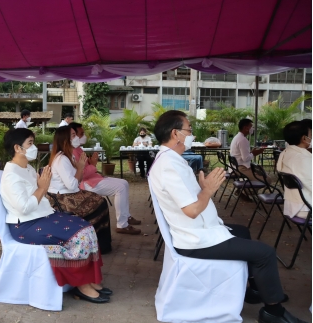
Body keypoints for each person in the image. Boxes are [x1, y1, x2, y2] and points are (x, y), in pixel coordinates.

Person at [149, 110, 302, 323]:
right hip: (195, 240)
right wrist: (208, 190)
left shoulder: (171, 159)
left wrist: (201, 187)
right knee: (266, 253)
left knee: (243, 231)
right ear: (176, 133)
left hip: (196, 231)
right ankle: (272, 312)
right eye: (189, 130)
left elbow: (186, 198)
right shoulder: (168, 166)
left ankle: (257, 288)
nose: (191, 133)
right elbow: (192, 211)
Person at [0, 128, 111, 304]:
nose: (34, 147)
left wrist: (42, 188)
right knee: (79, 236)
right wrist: (42, 188)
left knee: (87, 228)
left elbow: (40, 198)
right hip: (25, 225)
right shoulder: (11, 175)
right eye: (30, 143)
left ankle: (88, 278)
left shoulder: (27, 168)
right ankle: (80, 285)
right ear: (17, 148)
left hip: (42, 215)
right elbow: (24, 207)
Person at [47, 126, 113, 252]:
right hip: (61, 199)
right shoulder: (61, 159)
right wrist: (80, 168)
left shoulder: (69, 156)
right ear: (65, 140)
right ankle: (96, 244)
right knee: (100, 204)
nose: (77, 138)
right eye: (73, 135)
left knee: (100, 201)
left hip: (70, 193)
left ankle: (98, 243)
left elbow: (78, 180)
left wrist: (80, 168)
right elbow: (72, 184)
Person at [69, 122, 142, 235]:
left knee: (124, 183)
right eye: (81, 133)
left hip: (95, 178)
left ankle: (126, 216)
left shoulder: (78, 149)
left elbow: (87, 167)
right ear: (71, 135)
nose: (84, 136)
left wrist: (91, 163)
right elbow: (81, 174)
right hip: (87, 183)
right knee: (120, 188)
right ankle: (122, 225)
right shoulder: (72, 152)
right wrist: (93, 164)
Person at [276, 121, 311, 219]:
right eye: (311, 134)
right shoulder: (303, 158)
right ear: (304, 138)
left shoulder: (285, 153)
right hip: (306, 208)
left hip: (292, 206)